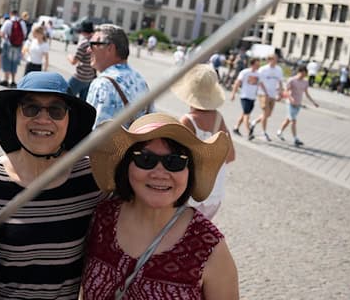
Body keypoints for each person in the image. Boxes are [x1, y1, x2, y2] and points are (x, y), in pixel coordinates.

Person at [80, 114, 237, 299]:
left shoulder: (209, 247)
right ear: (126, 165)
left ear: (189, 171)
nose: (160, 173)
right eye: (146, 159)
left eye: (175, 162)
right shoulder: (100, 219)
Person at [0, 72, 100, 299]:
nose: (43, 120)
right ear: (14, 115)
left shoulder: (90, 178)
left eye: (56, 110)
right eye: (30, 108)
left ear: (69, 120)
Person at [172, 65, 235, 220]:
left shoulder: (188, 121)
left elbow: (176, 160)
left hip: (192, 193)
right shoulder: (218, 118)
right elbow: (231, 156)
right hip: (214, 193)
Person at [86, 24, 151, 127]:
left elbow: (95, 136)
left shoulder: (103, 84)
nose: (88, 50)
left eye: (93, 44)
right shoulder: (140, 80)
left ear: (110, 48)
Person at [277, 67, 319, 146]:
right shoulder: (291, 80)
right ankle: (296, 139)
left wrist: (314, 103)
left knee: (288, 120)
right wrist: (290, 98)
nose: (304, 75)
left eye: (305, 74)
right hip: (290, 103)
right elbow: (286, 91)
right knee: (293, 120)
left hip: (298, 104)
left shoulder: (305, 82)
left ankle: (279, 131)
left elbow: (306, 94)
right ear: (299, 72)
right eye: (303, 73)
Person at [248, 54, 285, 142]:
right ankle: (264, 133)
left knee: (268, 114)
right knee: (265, 112)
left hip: (273, 94)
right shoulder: (263, 69)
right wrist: (262, 92)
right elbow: (258, 81)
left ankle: (254, 122)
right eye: (274, 59)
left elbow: (280, 81)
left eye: (276, 59)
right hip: (263, 93)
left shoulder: (278, 69)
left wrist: (280, 93)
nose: (276, 61)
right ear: (269, 60)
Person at [230, 58, 262, 138]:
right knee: (247, 115)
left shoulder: (258, 74)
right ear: (252, 64)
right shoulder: (245, 72)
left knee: (245, 114)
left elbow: (260, 84)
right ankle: (249, 132)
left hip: (252, 97)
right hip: (245, 96)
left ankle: (236, 128)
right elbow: (237, 82)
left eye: (259, 65)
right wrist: (233, 93)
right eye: (257, 65)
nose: (258, 66)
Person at [67, 21, 96, 100]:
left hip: (80, 77)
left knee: (66, 97)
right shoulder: (96, 43)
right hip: (89, 77)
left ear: (83, 32)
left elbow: (74, 61)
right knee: (83, 102)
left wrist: (69, 56)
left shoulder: (84, 44)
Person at [0, 10, 29, 88]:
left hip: (8, 44)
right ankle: (13, 81)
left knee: (7, 61)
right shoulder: (22, 23)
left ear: (10, 14)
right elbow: (25, 35)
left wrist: (6, 38)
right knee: (14, 62)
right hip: (17, 46)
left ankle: (6, 79)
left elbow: (2, 33)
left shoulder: (8, 22)